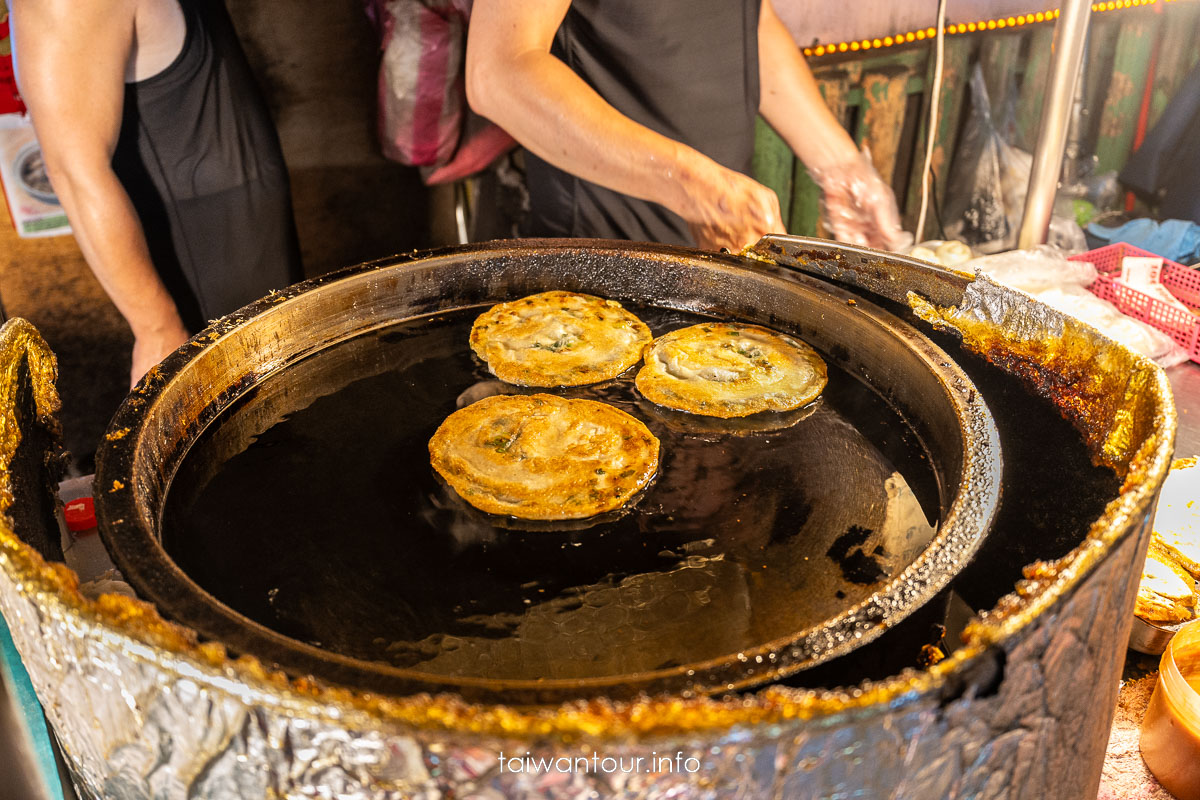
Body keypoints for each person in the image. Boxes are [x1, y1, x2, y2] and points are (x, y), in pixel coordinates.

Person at [465, 0, 910, 253]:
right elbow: (500, 70)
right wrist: (694, 187)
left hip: (720, 247)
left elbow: (748, 21)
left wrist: (841, 167)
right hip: (601, 257)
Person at [12, 0, 302, 387]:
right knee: (239, 419)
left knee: (283, 391)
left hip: (245, 216)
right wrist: (157, 329)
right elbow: (74, 170)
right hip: (197, 247)